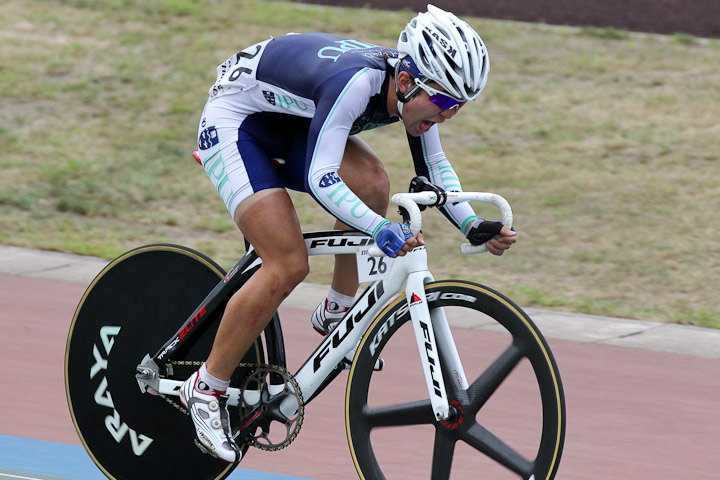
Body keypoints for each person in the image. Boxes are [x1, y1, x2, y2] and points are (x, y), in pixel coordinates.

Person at [179, 4, 517, 463]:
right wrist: (379, 230)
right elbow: (322, 177)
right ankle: (205, 388)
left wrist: (473, 224)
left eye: (457, 106)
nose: (448, 115)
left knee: (374, 183)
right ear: (405, 82)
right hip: (236, 124)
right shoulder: (357, 84)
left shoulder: (415, 91)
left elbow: (434, 168)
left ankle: (337, 309)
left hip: (292, 121)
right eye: (443, 102)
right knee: (287, 263)